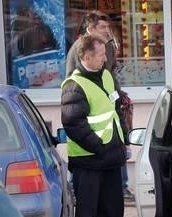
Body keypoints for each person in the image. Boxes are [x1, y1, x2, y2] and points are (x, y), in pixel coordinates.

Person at [61, 34, 136, 217]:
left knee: (112, 209)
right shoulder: (74, 85)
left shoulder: (106, 75)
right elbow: (74, 124)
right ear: (86, 57)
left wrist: (123, 138)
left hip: (110, 156)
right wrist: (99, 146)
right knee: (86, 212)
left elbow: (116, 110)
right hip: (88, 160)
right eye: (101, 55)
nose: (105, 59)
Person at [66, 10, 135, 201]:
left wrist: (120, 97)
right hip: (90, 144)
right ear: (91, 28)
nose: (107, 30)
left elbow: (109, 76)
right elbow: (73, 82)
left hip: (110, 126)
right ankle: (74, 188)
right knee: (88, 195)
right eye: (102, 27)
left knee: (116, 146)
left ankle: (123, 186)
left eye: (107, 27)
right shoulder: (78, 49)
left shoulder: (107, 47)